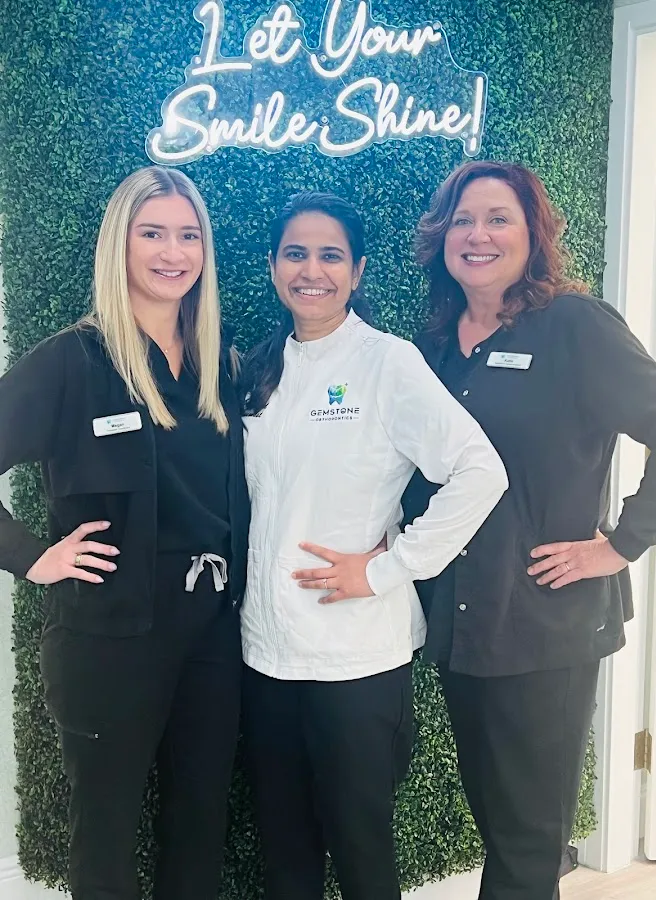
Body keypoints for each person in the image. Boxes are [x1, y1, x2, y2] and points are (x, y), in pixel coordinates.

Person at [403, 159, 656, 900]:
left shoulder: (574, 326)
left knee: (527, 844)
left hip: (545, 622)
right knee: (502, 828)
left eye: (499, 219)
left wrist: (621, 544)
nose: (478, 234)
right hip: (462, 622)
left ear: (533, 235)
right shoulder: (434, 348)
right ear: (441, 237)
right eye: (462, 220)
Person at [239, 190, 508, 900]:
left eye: (331, 256)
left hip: (356, 657)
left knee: (362, 854)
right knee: (285, 852)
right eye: (295, 254)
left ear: (357, 272)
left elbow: (480, 471)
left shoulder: (387, 363)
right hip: (265, 653)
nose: (311, 271)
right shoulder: (260, 369)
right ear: (272, 266)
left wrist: (392, 567)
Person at [0, 166, 249, 900]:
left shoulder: (219, 361)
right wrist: (30, 558)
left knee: (199, 822)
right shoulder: (71, 361)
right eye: (152, 233)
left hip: (213, 629)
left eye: (188, 235)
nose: (173, 253)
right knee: (105, 837)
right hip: (110, 635)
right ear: (121, 244)